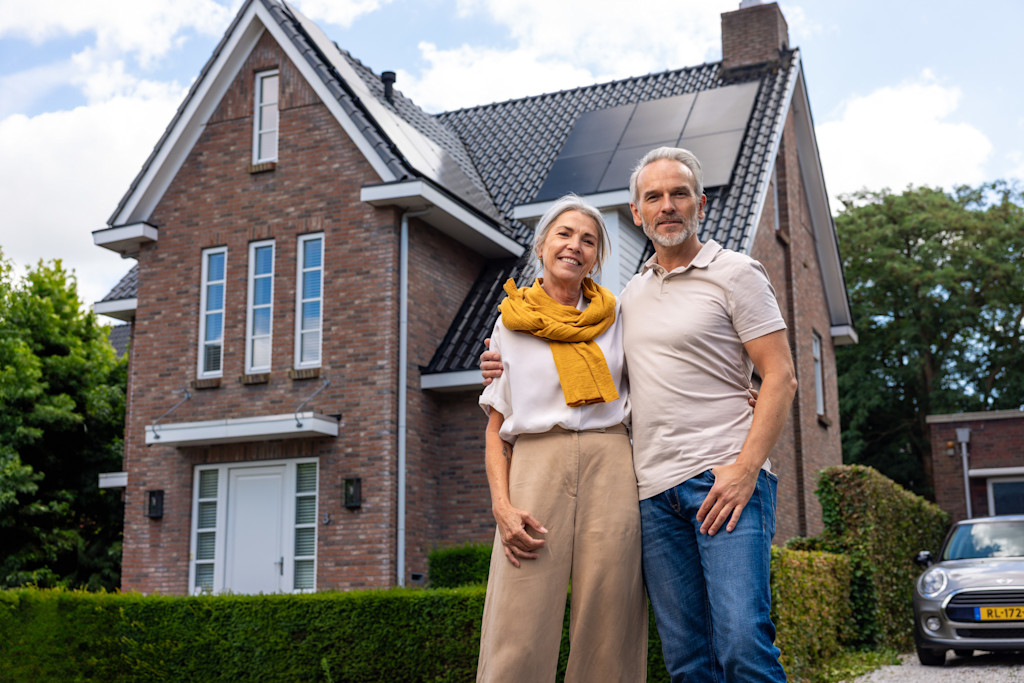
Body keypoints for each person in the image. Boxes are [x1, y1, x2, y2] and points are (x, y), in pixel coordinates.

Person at [483, 147, 796, 682]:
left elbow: (780, 376)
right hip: (651, 488)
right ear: (637, 212)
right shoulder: (617, 301)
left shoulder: (718, 278)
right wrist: (496, 364)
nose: (667, 206)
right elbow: (513, 407)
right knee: (687, 657)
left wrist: (747, 461)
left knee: (741, 640)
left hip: (705, 476)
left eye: (679, 195)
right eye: (654, 196)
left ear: (700, 203)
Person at [476, 194, 647, 682]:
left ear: (598, 256)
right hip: (534, 462)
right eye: (565, 234)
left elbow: (663, 366)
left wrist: (736, 386)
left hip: (611, 462)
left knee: (610, 611)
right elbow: (495, 429)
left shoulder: (617, 319)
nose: (575, 246)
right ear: (542, 245)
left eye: (589, 240)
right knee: (519, 610)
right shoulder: (510, 322)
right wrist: (501, 507)